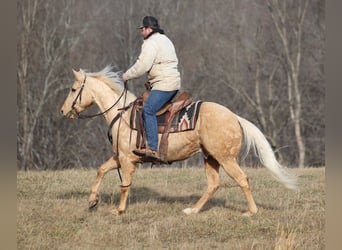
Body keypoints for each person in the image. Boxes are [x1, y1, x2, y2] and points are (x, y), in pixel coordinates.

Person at [122, 16, 181, 161]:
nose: (141, 32)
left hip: (164, 84)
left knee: (148, 110)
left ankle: (153, 148)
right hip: (172, 83)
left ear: (149, 29)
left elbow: (142, 66)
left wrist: (126, 75)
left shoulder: (150, 43)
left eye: (142, 29)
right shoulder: (165, 40)